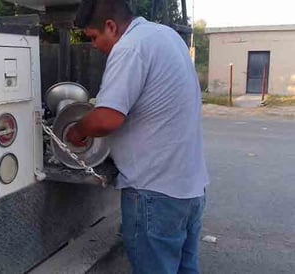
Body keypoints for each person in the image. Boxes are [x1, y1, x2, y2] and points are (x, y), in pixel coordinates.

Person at [66, 0, 210, 273]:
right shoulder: (166, 36)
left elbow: (108, 117)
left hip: (155, 194)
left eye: (94, 38)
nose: (94, 46)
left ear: (111, 26)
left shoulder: (130, 47)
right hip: (190, 190)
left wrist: (78, 130)